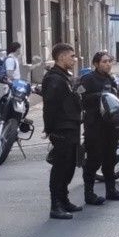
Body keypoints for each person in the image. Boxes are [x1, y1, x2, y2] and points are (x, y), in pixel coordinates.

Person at [78, 51, 119, 205]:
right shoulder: (87, 79)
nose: (108, 64)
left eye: (109, 61)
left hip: (111, 127)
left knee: (110, 159)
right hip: (95, 126)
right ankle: (89, 193)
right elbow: (81, 100)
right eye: (104, 61)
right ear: (96, 63)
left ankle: (111, 190)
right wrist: (100, 95)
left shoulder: (112, 79)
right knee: (94, 160)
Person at [42, 43, 82, 219]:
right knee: (60, 167)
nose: (74, 59)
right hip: (61, 128)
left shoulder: (65, 76)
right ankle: (55, 205)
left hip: (72, 126)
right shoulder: (54, 79)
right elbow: (49, 107)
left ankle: (64, 199)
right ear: (61, 57)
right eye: (71, 56)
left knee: (70, 166)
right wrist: (50, 130)